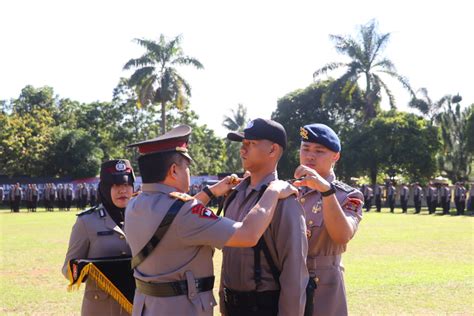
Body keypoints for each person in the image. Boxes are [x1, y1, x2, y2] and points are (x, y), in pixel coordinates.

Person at [124, 124, 298, 316]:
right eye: (186, 167)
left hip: (147, 307)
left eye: (251, 143)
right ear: (174, 171)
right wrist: (273, 191)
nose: (243, 149)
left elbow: (176, 217)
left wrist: (211, 191)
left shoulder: (135, 204)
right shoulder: (185, 212)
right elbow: (247, 235)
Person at [221, 118, 309, 316]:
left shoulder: (285, 200)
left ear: (273, 150)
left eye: (250, 144)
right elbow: (228, 257)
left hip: (264, 306)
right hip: (234, 304)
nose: (243, 150)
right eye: (242, 145)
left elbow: (294, 273)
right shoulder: (234, 196)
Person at [292, 123, 364, 316]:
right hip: (286, 281)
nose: (310, 156)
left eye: (319, 151)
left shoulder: (347, 195)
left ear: (335, 156)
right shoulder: (289, 191)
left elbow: (342, 235)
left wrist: (326, 192)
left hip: (323, 285)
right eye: (305, 149)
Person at [62, 159, 136, 315]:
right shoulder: (87, 221)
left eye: (126, 185)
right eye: (115, 185)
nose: (122, 190)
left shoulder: (144, 218)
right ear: (104, 188)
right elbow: (68, 270)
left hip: (138, 306)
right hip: (101, 308)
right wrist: (87, 269)